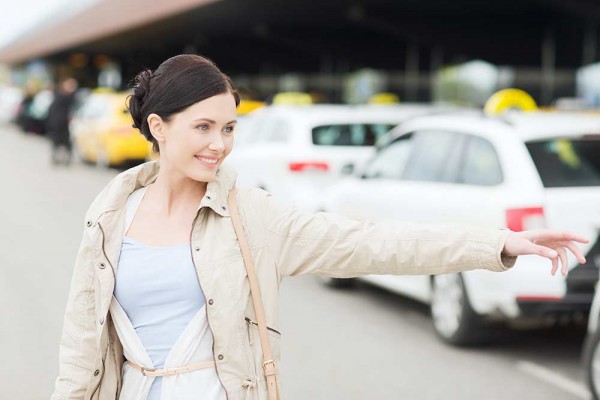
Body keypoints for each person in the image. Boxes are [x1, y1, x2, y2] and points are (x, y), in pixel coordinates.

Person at [50, 54, 588, 400]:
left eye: (230, 128)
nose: (219, 144)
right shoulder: (109, 215)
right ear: (158, 127)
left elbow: (372, 242)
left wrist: (496, 242)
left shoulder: (251, 216)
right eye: (204, 127)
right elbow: (81, 348)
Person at [47, 77, 78, 165]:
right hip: (57, 122)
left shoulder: (71, 96)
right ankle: (56, 159)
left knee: (66, 142)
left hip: (65, 123)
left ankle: (66, 159)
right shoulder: (59, 94)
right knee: (56, 142)